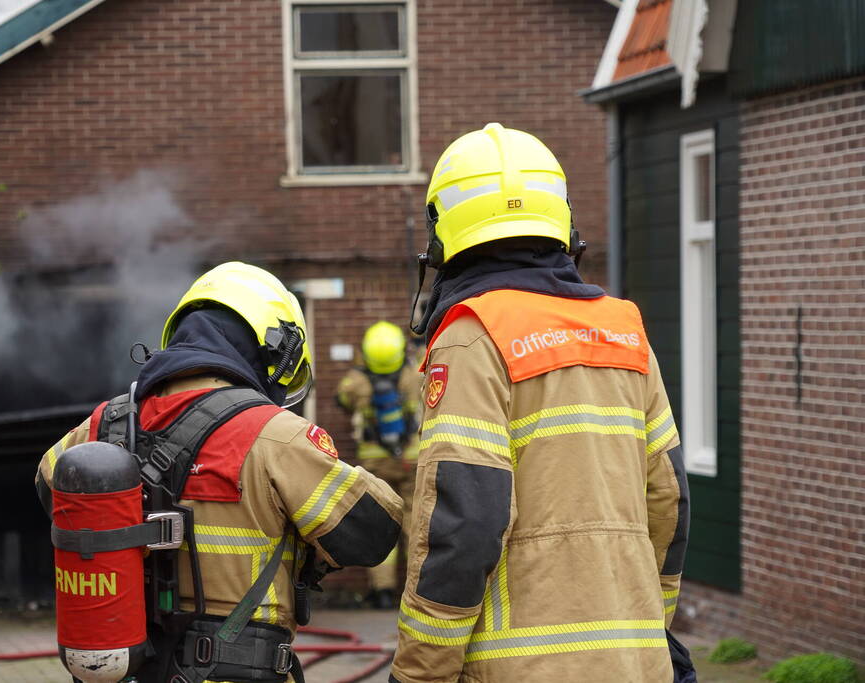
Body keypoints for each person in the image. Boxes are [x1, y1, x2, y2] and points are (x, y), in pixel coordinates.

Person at [389, 124, 690, 682]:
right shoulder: (626, 332)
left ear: (441, 232)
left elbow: (466, 521)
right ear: (562, 219)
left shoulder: (473, 334)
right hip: (638, 663)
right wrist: (649, 626)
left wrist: (420, 673)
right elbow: (669, 499)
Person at [35, 262, 403, 683]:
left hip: (131, 669)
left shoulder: (105, 423)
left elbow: (53, 496)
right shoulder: (275, 435)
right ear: (273, 347)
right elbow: (373, 534)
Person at [335, 321, 421, 608]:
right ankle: (416, 589)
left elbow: (342, 398)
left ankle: (382, 591)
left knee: (382, 524)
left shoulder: (357, 381)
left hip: (375, 463)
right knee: (414, 524)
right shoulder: (413, 375)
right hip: (411, 459)